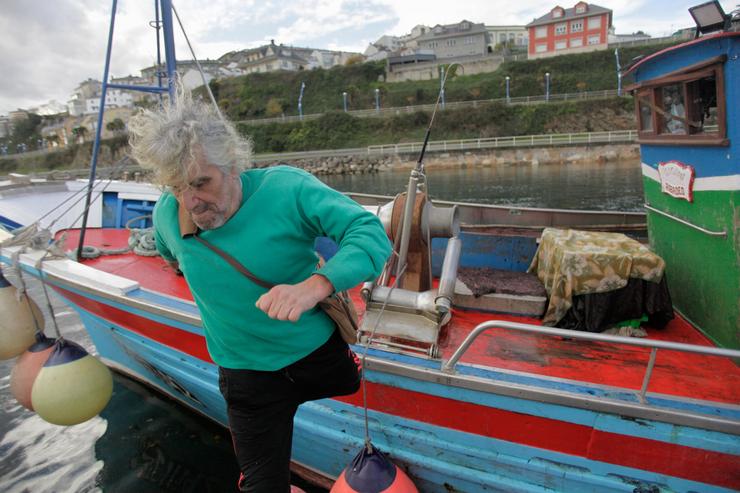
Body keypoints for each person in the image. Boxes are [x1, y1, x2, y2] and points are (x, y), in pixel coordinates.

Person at [128, 90, 392, 493]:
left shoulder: (285, 189)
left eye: (202, 183)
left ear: (233, 166)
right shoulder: (168, 213)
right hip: (246, 377)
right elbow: (170, 255)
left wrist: (314, 286)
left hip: (316, 354)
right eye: (178, 187)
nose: (191, 201)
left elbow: (369, 233)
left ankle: (348, 368)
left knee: (347, 381)